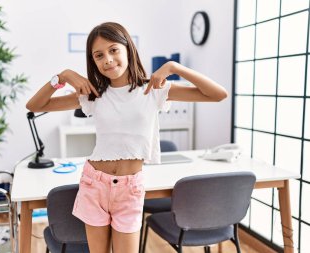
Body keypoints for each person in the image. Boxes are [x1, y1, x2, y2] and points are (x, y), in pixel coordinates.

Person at [26, 22, 228, 253]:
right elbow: (34, 105)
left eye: (113, 50)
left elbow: (218, 95)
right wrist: (63, 76)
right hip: (94, 185)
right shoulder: (94, 95)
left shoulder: (153, 90)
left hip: (130, 189)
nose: (108, 60)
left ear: (128, 49)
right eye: (99, 55)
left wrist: (174, 67)